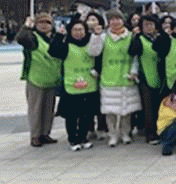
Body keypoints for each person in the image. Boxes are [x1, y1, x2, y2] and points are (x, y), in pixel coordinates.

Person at [88, 9, 142, 146]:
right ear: (108, 22)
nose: (115, 22)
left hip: (126, 77)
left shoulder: (131, 36)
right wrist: (96, 36)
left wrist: (134, 71)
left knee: (126, 111)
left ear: (123, 20)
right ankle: (112, 135)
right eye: (112, 19)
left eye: (118, 19)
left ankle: (125, 133)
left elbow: (135, 56)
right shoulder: (103, 37)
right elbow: (93, 52)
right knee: (110, 111)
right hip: (109, 78)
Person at [48, 18, 97, 151]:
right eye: (75, 30)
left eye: (81, 29)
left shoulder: (91, 45)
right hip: (71, 85)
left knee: (86, 114)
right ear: (70, 31)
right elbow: (53, 51)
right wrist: (58, 36)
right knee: (72, 115)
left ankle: (83, 137)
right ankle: (73, 139)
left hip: (89, 84)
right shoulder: (66, 45)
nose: (78, 32)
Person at [16, 13, 62, 147]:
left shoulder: (54, 38)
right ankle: (35, 135)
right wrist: (26, 27)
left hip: (51, 80)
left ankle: (45, 133)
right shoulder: (32, 38)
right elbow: (21, 38)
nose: (44, 25)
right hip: (36, 80)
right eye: (41, 22)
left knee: (49, 110)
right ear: (36, 24)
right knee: (35, 110)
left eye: (48, 22)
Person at [128, 14, 163, 144]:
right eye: (145, 25)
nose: (148, 27)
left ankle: (161, 131)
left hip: (161, 77)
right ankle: (151, 134)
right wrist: (136, 37)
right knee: (149, 108)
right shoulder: (140, 39)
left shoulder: (160, 38)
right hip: (145, 78)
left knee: (160, 106)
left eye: (151, 24)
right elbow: (133, 52)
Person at [83, 12, 108, 140]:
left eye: (94, 19)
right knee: (88, 103)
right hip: (85, 73)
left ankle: (102, 127)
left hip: (102, 72)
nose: (91, 21)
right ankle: (89, 128)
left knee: (101, 102)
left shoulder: (105, 36)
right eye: (89, 19)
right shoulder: (83, 35)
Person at [153, 18, 176, 95]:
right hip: (171, 79)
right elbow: (155, 46)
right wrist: (165, 34)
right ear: (172, 29)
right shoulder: (168, 40)